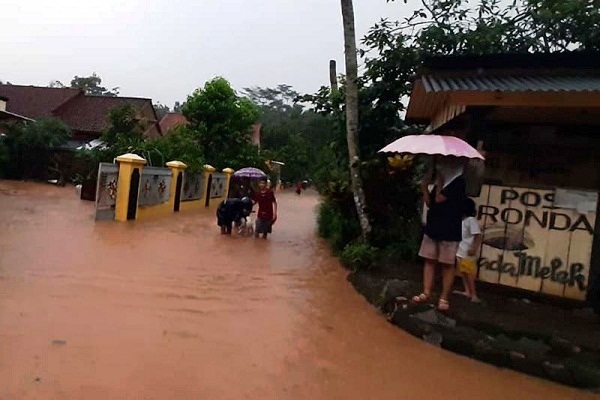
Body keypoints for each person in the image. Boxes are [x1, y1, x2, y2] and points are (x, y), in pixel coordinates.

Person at [413, 157, 466, 311]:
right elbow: (430, 203)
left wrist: (441, 181)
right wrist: (424, 188)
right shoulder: (439, 183)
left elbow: (438, 199)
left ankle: (444, 298)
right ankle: (426, 291)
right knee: (429, 260)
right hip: (433, 227)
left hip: (449, 230)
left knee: (447, 264)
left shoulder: (458, 183)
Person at [454, 198, 482, 303]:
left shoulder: (471, 220)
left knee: (469, 273)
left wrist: (474, 248)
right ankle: (467, 291)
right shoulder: (462, 221)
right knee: (463, 272)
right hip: (460, 251)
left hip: (467, 252)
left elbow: (478, 236)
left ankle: (473, 294)